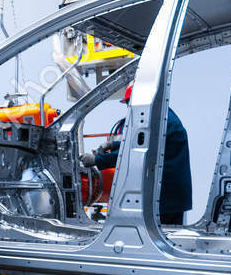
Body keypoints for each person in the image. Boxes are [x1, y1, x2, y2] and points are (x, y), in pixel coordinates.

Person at [82, 85, 192, 224]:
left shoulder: (158, 121)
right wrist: (113, 145)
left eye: (130, 104)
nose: (130, 109)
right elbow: (142, 143)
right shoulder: (163, 116)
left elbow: (133, 151)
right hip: (170, 196)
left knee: (163, 236)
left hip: (166, 198)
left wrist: (97, 160)